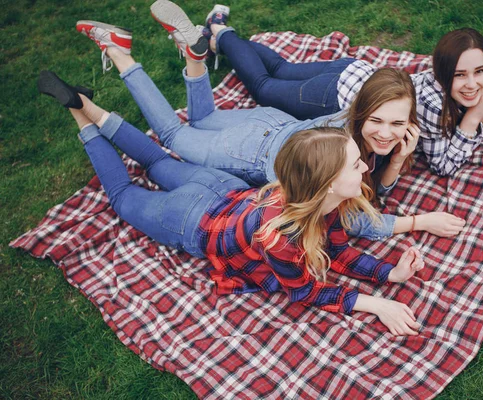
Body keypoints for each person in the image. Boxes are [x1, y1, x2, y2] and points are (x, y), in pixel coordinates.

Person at [37, 70, 426, 335]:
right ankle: (78, 112)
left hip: (221, 188)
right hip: (190, 219)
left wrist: (389, 274)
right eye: (357, 165)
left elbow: (339, 252)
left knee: (157, 161)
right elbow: (305, 291)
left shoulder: (325, 202)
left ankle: (85, 103)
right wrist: (376, 304)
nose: (364, 170)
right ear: (327, 184)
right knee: (123, 198)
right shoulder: (282, 238)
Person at [73, 1, 465, 240]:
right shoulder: (341, 152)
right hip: (250, 151)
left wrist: (396, 157)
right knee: (173, 135)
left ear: (410, 123)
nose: (386, 133)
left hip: (271, 122)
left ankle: (195, 55)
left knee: (203, 118)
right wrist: (419, 221)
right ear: (360, 112)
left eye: (398, 125)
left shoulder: (362, 133)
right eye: (377, 120)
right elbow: (360, 217)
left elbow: (371, 186)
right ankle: (122, 54)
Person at [200, 7, 483, 177]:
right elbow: (442, 165)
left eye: (479, 72)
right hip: (336, 94)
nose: (472, 84)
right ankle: (221, 33)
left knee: (282, 68)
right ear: (443, 73)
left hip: (354, 69)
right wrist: (472, 120)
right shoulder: (435, 108)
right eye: (459, 75)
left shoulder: (448, 90)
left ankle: (217, 39)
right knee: (265, 88)